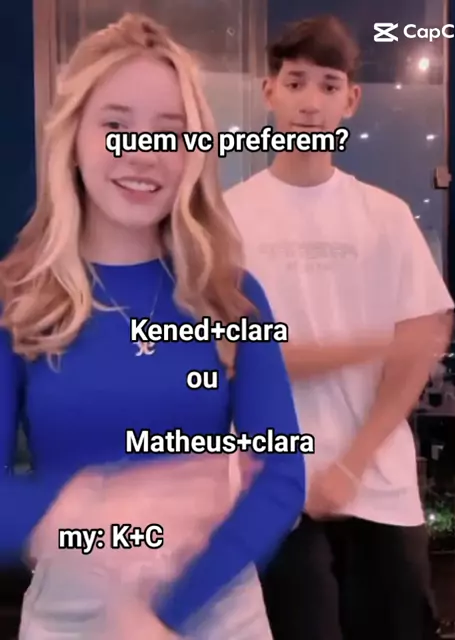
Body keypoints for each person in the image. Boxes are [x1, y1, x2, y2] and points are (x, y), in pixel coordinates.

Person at [0, 12, 305, 639]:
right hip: (71, 616)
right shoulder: (18, 299)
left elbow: (280, 476)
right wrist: (76, 510)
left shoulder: (234, 297)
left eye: (169, 133)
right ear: (74, 137)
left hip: (219, 608)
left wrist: (160, 614)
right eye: (115, 126)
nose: (142, 153)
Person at [224, 14, 454, 640]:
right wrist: (370, 343)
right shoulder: (228, 219)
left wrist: (350, 465)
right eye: (295, 82)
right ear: (269, 92)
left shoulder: (386, 215)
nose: (310, 102)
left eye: (328, 86)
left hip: (381, 486)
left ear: (350, 101)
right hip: (275, 488)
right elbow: (231, 355)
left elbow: (420, 348)